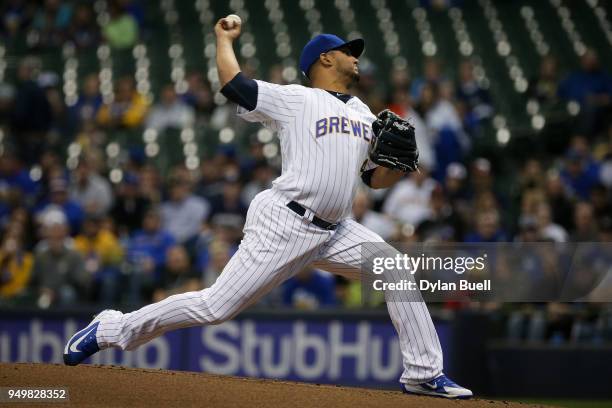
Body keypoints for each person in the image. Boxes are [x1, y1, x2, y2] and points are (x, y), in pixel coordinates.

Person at [63, 17, 472, 399]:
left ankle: (422, 373)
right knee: (214, 307)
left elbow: (372, 180)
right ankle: (111, 328)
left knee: (394, 268)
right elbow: (235, 85)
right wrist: (223, 40)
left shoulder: (364, 113)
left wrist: (395, 167)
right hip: (286, 221)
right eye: (349, 50)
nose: (356, 56)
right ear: (325, 58)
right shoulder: (296, 99)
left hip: (335, 230)